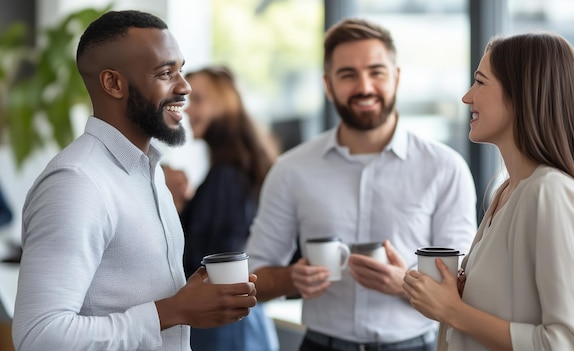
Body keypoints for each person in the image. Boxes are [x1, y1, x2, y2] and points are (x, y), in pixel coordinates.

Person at [12, 10, 257, 351]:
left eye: (181, 70)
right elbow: (38, 336)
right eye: (165, 73)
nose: (184, 86)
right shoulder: (76, 183)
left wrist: (191, 296)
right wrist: (173, 310)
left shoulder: (150, 171)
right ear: (113, 83)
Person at [245, 18, 477, 351]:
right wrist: (291, 278)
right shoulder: (291, 169)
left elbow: (464, 286)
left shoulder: (445, 167)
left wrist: (405, 283)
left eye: (376, 72)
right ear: (328, 85)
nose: (364, 86)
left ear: (396, 77)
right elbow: (253, 277)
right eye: (348, 74)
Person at [403, 32, 574, 351]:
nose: (467, 97)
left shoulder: (551, 193)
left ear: (522, 94)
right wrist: (458, 296)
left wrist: (454, 311)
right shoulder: (507, 191)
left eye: (480, 82)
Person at [164, 66, 279, 350]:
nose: (188, 111)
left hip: (224, 330)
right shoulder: (235, 172)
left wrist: (169, 208)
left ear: (223, 105)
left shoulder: (225, 178)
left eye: (199, 100)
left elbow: (208, 261)